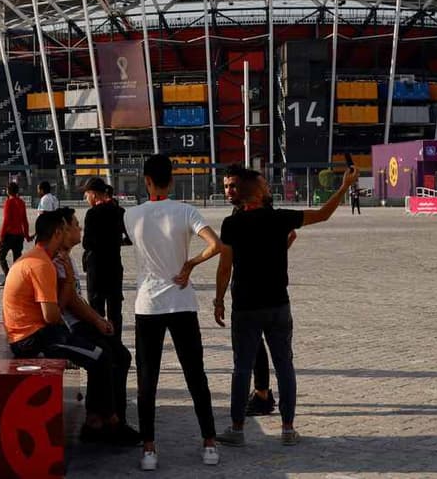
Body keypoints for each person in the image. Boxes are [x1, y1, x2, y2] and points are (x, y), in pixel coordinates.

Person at [213, 165, 358, 447]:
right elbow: (324, 214)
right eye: (265, 185)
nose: (269, 188)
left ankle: (237, 428)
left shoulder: (231, 225)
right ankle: (288, 428)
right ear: (258, 192)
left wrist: (219, 300)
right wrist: (343, 187)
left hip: (245, 307)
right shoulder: (280, 219)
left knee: (241, 368)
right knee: (284, 366)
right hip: (278, 305)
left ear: (241, 194)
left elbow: (224, 267)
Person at [124, 154, 224, 470]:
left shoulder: (132, 215)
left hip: (148, 304)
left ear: (146, 181)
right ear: (172, 180)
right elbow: (216, 245)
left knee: (147, 379)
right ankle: (209, 442)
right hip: (181, 302)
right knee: (195, 374)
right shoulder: (185, 212)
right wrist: (190, 264)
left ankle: (149, 449)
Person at [2, 211, 127, 444]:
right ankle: (108, 421)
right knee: (99, 356)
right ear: (58, 233)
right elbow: (51, 316)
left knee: (103, 354)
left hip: (34, 332)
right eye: (69, 227)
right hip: (33, 337)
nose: (73, 231)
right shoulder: (42, 264)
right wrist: (68, 283)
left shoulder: (37, 258)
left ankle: (102, 419)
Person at [50, 207, 139, 445]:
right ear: (62, 230)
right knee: (111, 355)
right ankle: (109, 420)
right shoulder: (58, 260)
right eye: (75, 224)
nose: (80, 228)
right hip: (69, 328)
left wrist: (97, 319)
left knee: (117, 355)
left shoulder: (64, 257)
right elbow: (69, 302)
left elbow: (76, 300)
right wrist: (96, 320)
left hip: (78, 323)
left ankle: (97, 418)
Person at [222, 164, 275, 417]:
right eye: (226, 186)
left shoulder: (258, 210)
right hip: (245, 289)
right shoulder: (237, 212)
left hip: (255, 292)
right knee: (255, 345)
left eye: (233, 185)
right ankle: (262, 392)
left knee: (253, 346)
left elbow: (289, 236)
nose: (229, 190)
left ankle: (262, 395)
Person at [81, 176, 130, 342]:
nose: (86, 198)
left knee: (96, 310)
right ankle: (116, 345)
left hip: (96, 268)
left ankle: (102, 346)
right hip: (114, 267)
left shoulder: (92, 213)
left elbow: (87, 243)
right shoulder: (119, 211)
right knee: (115, 310)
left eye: (87, 194)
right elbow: (129, 238)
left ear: (94, 194)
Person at [0, 182, 31, 279]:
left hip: (9, 234)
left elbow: (6, 220)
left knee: (0, 256)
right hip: (19, 235)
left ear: (8, 191)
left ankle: (8, 276)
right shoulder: (21, 202)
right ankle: (16, 278)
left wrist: (1, 235)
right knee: (17, 258)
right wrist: (26, 235)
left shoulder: (9, 202)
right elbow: (25, 220)